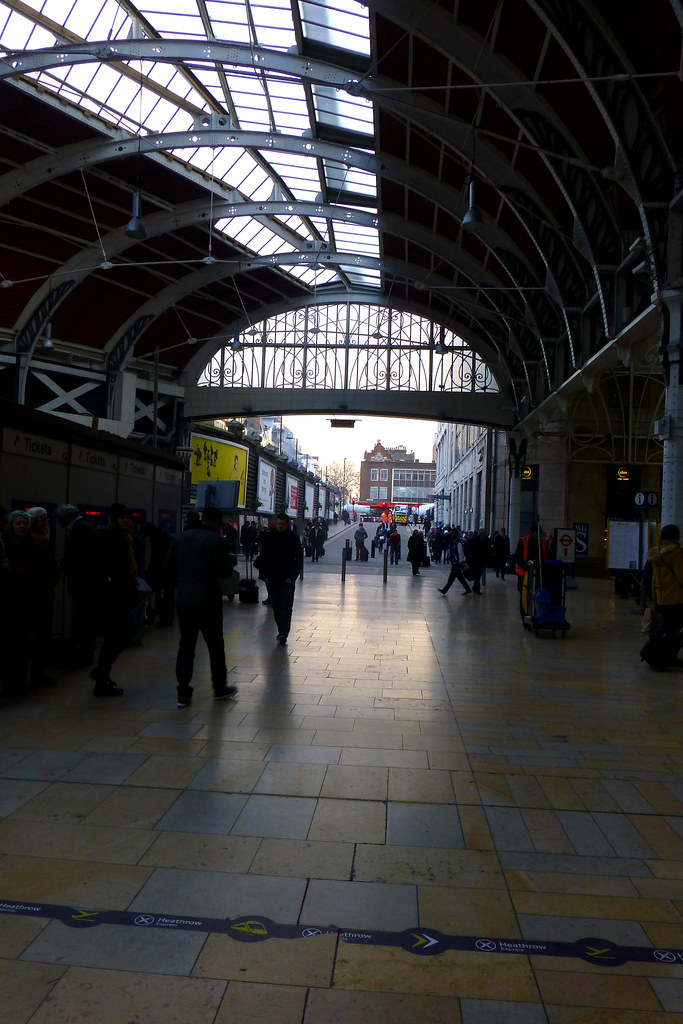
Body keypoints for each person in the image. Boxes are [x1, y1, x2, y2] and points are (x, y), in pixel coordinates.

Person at [164, 506, 238, 708]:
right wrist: (229, 560)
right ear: (216, 522)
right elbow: (224, 572)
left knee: (186, 646)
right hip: (208, 602)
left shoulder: (180, 539)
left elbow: (168, 569)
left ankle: (183, 693)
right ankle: (220, 688)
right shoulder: (216, 541)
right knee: (215, 645)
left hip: (184, 601)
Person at [1, 509, 59, 694]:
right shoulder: (7, 544)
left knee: (25, 640)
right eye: (18, 523)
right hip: (14, 599)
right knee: (15, 642)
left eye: (24, 523)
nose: (22, 526)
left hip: (31, 597)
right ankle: (12, 681)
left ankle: (21, 679)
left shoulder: (32, 544)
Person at [89, 503, 143, 697]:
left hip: (121, 594)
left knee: (118, 635)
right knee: (120, 634)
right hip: (113, 596)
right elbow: (104, 568)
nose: (126, 521)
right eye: (122, 518)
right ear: (114, 520)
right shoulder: (110, 539)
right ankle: (101, 676)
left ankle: (101, 674)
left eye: (128, 518)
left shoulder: (127, 539)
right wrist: (113, 587)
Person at [55, 503, 99, 664]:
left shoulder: (79, 529)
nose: (60, 525)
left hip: (83, 585)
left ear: (67, 518)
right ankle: (84, 651)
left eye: (60, 521)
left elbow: (77, 558)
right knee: (85, 619)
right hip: (87, 584)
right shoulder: (85, 527)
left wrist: (59, 566)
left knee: (83, 619)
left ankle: (84, 652)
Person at [255, 512, 303, 645]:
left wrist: (292, 577)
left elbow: (298, 559)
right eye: (278, 523)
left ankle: (283, 633)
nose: (280, 526)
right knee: (276, 605)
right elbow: (263, 556)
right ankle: (281, 630)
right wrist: (264, 576)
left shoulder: (293, 538)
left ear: (287, 524)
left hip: (287, 579)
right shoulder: (270, 537)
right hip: (272, 578)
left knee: (285, 606)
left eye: (282, 524)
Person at [647, 523, 683, 645]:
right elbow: (681, 576)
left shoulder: (656, 552)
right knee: (674, 629)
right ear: (676, 536)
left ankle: (658, 649)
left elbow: (653, 578)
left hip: (660, 598)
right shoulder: (676, 553)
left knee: (666, 626)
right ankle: (664, 652)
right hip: (675, 598)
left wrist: (654, 597)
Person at [140, 522, 174, 628]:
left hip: (163, 571)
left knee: (163, 595)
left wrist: (150, 570)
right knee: (168, 596)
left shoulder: (157, 539)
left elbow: (156, 557)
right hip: (170, 571)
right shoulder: (163, 536)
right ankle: (166, 618)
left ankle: (162, 619)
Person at [514, 523, 547, 624]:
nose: (538, 535)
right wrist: (526, 566)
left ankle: (535, 614)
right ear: (532, 532)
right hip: (523, 574)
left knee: (536, 594)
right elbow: (517, 556)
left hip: (537, 574)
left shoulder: (542, 542)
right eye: (537, 533)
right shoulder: (523, 541)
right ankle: (525, 616)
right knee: (525, 596)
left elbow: (546, 555)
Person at [439, 529, 472, 595]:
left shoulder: (458, 543)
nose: (451, 534)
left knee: (451, 578)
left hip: (456, 563)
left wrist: (461, 561)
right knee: (460, 577)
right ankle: (468, 589)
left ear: (456, 534)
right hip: (454, 562)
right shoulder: (452, 542)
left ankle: (444, 590)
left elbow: (460, 552)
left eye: (453, 533)